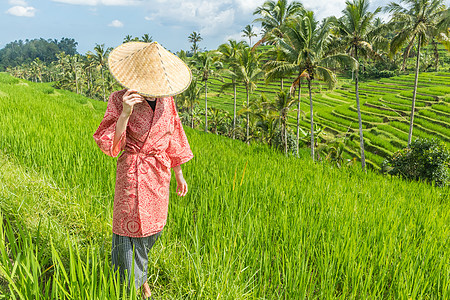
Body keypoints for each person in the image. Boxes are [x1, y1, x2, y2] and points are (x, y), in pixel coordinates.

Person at [93, 41, 193, 299]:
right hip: (132, 172)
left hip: (159, 173)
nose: (151, 91)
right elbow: (111, 145)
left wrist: (179, 172)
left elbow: (174, 134)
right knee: (127, 231)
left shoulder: (167, 101)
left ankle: (140, 277)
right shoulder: (119, 99)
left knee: (152, 230)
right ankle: (129, 287)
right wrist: (125, 113)